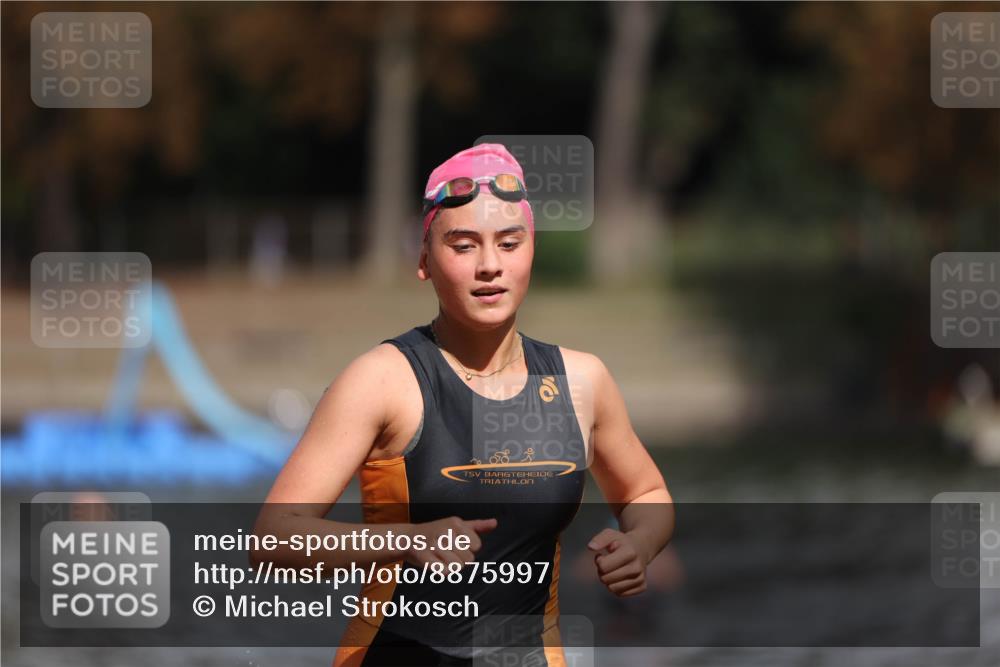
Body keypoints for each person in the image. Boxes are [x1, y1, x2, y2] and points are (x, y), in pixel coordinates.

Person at [253, 143, 674, 666]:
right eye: (464, 245)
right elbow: (273, 540)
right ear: (425, 260)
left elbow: (647, 492)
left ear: (531, 250)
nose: (490, 266)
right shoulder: (382, 380)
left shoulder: (581, 380)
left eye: (509, 242)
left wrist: (640, 545)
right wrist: (406, 542)